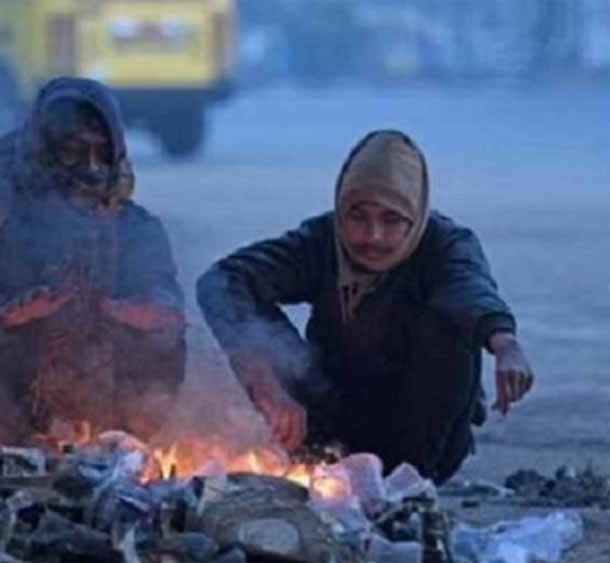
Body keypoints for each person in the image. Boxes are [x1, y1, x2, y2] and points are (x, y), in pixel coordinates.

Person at [196, 130, 534, 483]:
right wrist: (265, 383)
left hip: (419, 435)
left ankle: (408, 485)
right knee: (258, 331)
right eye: (358, 216)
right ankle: (320, 462)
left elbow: (468, 289)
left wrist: (504, 343)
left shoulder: (443, 246)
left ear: (415, 216)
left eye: (391, 220)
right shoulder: (321, 241)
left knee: (445, 326)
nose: (373, 236)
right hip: (331, 422)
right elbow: (225, 280)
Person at [0, 77, 186, 445]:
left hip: (88, 390)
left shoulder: (133, 226)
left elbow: (161, 292)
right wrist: (8, 315)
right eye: (71, 152)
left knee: (159, 339)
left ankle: (110, 445)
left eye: (101, 153)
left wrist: (146, 312)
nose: (90, 169)